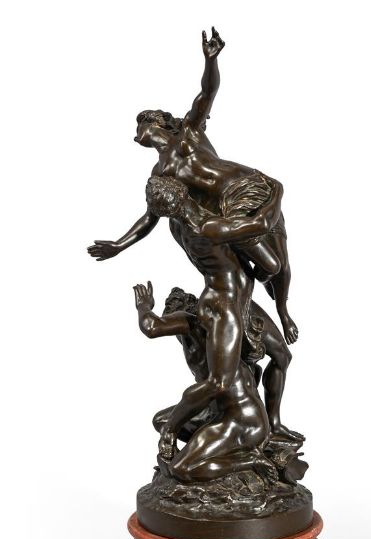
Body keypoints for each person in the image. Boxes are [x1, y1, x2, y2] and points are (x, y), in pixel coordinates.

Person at [87, 27, 298, 345]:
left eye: (138, 126)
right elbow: (150, 218)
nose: (134, 135)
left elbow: (207, 93)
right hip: (228, 212)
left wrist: (211, 61)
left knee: (282, 267)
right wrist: (119, 245)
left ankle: (282, 312)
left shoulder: (189, 133)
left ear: (153, 123)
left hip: (247, 187)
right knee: (270, 265)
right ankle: (248, 304)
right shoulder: (161, 174)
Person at [139, 175, 283, 449]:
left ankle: (248, 425)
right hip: (223, 307)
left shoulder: (178, 227)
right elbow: (263, 229)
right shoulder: (209, 227)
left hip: (227, 303)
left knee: (264, 362)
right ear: (182, 192)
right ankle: (171, 429)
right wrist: (277, 191)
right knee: (219, 381)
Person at [133, 282, 278, 483]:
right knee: (161, 421)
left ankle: (249, 461)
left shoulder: (194, 324)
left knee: (181, 469)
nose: (171, 322)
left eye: (171, 316)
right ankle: (203, 455)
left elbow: (151, 327)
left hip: (242, 420)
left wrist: (144, 306)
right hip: (220, 412)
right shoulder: (206, 338)